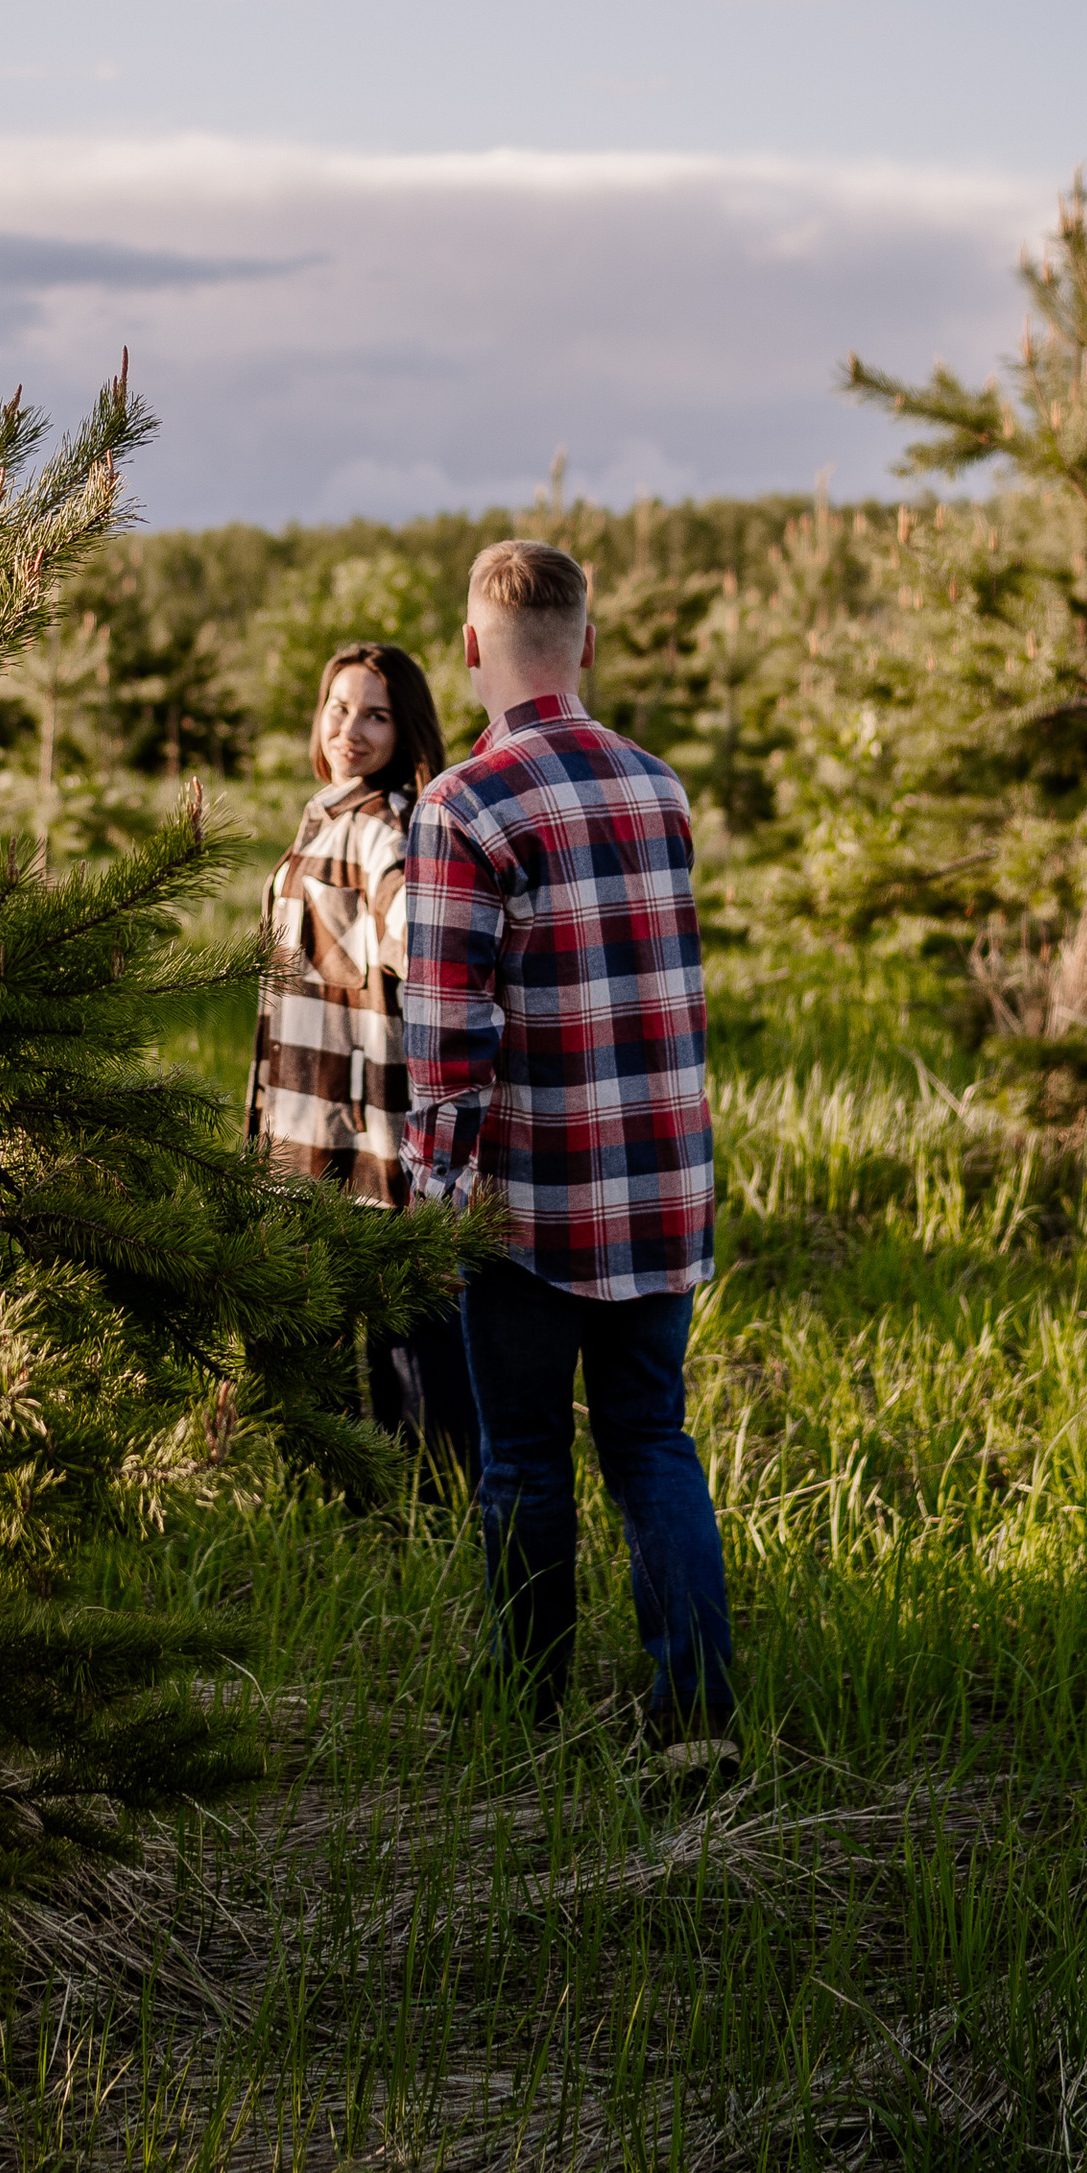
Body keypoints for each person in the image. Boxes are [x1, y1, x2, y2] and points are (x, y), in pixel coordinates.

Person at [400, 540, 731, 1738]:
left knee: (524, 1460)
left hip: (530, 1205)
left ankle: (524, 1714)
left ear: (472, 647)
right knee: (652, 1442)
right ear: (585, 644)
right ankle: (696, 1720)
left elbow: (447, 1039)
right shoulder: (661, 787)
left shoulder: (461, 806)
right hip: (658, 1187)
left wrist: (430, 1209)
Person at [245, 642, 478, 1473]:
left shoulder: (387, 826)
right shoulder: (328, 815)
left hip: (367, 1141)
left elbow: (417, 928)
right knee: (331, 1339)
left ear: (405, 727)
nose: (351, 728)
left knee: (409, 1345)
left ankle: (443, 1510)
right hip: (303, 1127)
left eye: (376, 714)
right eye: (339, 708)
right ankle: (350, 1504)